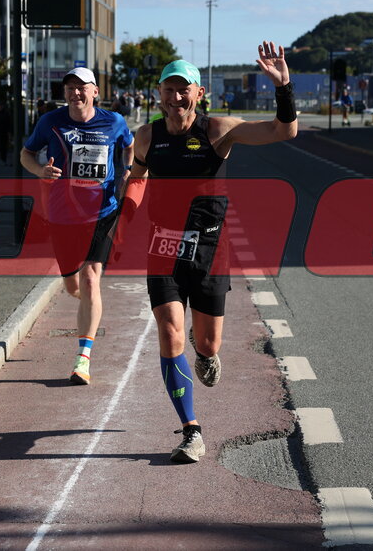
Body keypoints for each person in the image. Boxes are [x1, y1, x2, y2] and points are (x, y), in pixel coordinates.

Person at [120, 41, 296, 463]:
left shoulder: (218, 130)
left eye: (184, 90)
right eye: (168, 89)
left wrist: (284, 88)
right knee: (169, 332)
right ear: (158, 93)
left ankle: (206, 355)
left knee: (208, 343)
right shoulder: (147, 136)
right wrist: (122, 223)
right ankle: (191, 429)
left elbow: (282, 130)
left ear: (199, 94)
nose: (175, 97)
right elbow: (137, 177)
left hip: (210, 251)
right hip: (162, 247)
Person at [20, 67, 134, 385]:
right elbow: (25, 154)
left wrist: (126, 170)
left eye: (82, 87)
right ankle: (88, 303)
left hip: (102, 212)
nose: (75, 93)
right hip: (62, 216)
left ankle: (82, 358)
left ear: (95, 91)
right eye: (70, 87)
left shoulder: (114, 122)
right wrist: (40, 170)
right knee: (73, 286)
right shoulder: (51, 122)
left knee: (90, 278)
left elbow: (129, 145)